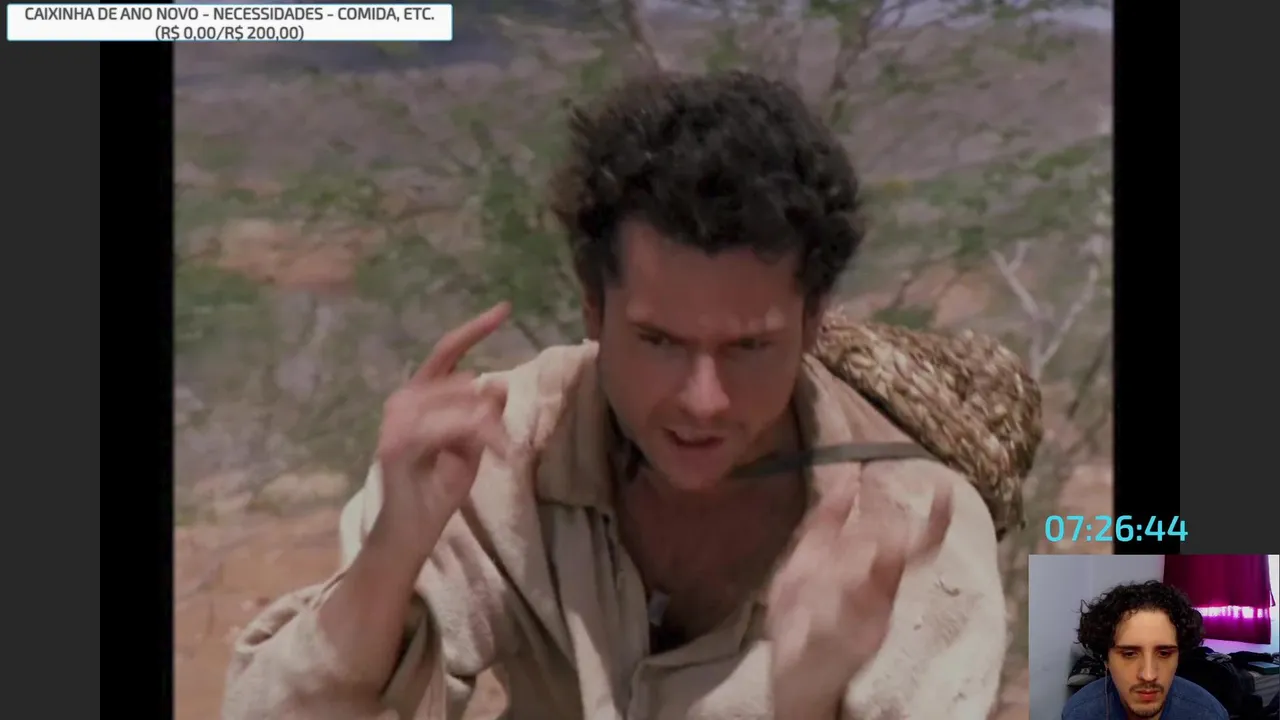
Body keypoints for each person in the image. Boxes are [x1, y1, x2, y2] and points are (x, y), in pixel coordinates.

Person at [222, 71, 1029, 720]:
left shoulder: (915, 534)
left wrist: (805, 695)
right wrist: (390, 555)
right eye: (659, 342)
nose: (703, 400)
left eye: (748, 348)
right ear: (592, 310)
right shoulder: (502, 444)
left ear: (813, 322)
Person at [1062, 580, 1230, 720]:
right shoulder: (1080, 713)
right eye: (1129, 654)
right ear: (1106, 659)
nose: (1148, 675)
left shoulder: (1208, 714)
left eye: (1164, 653)